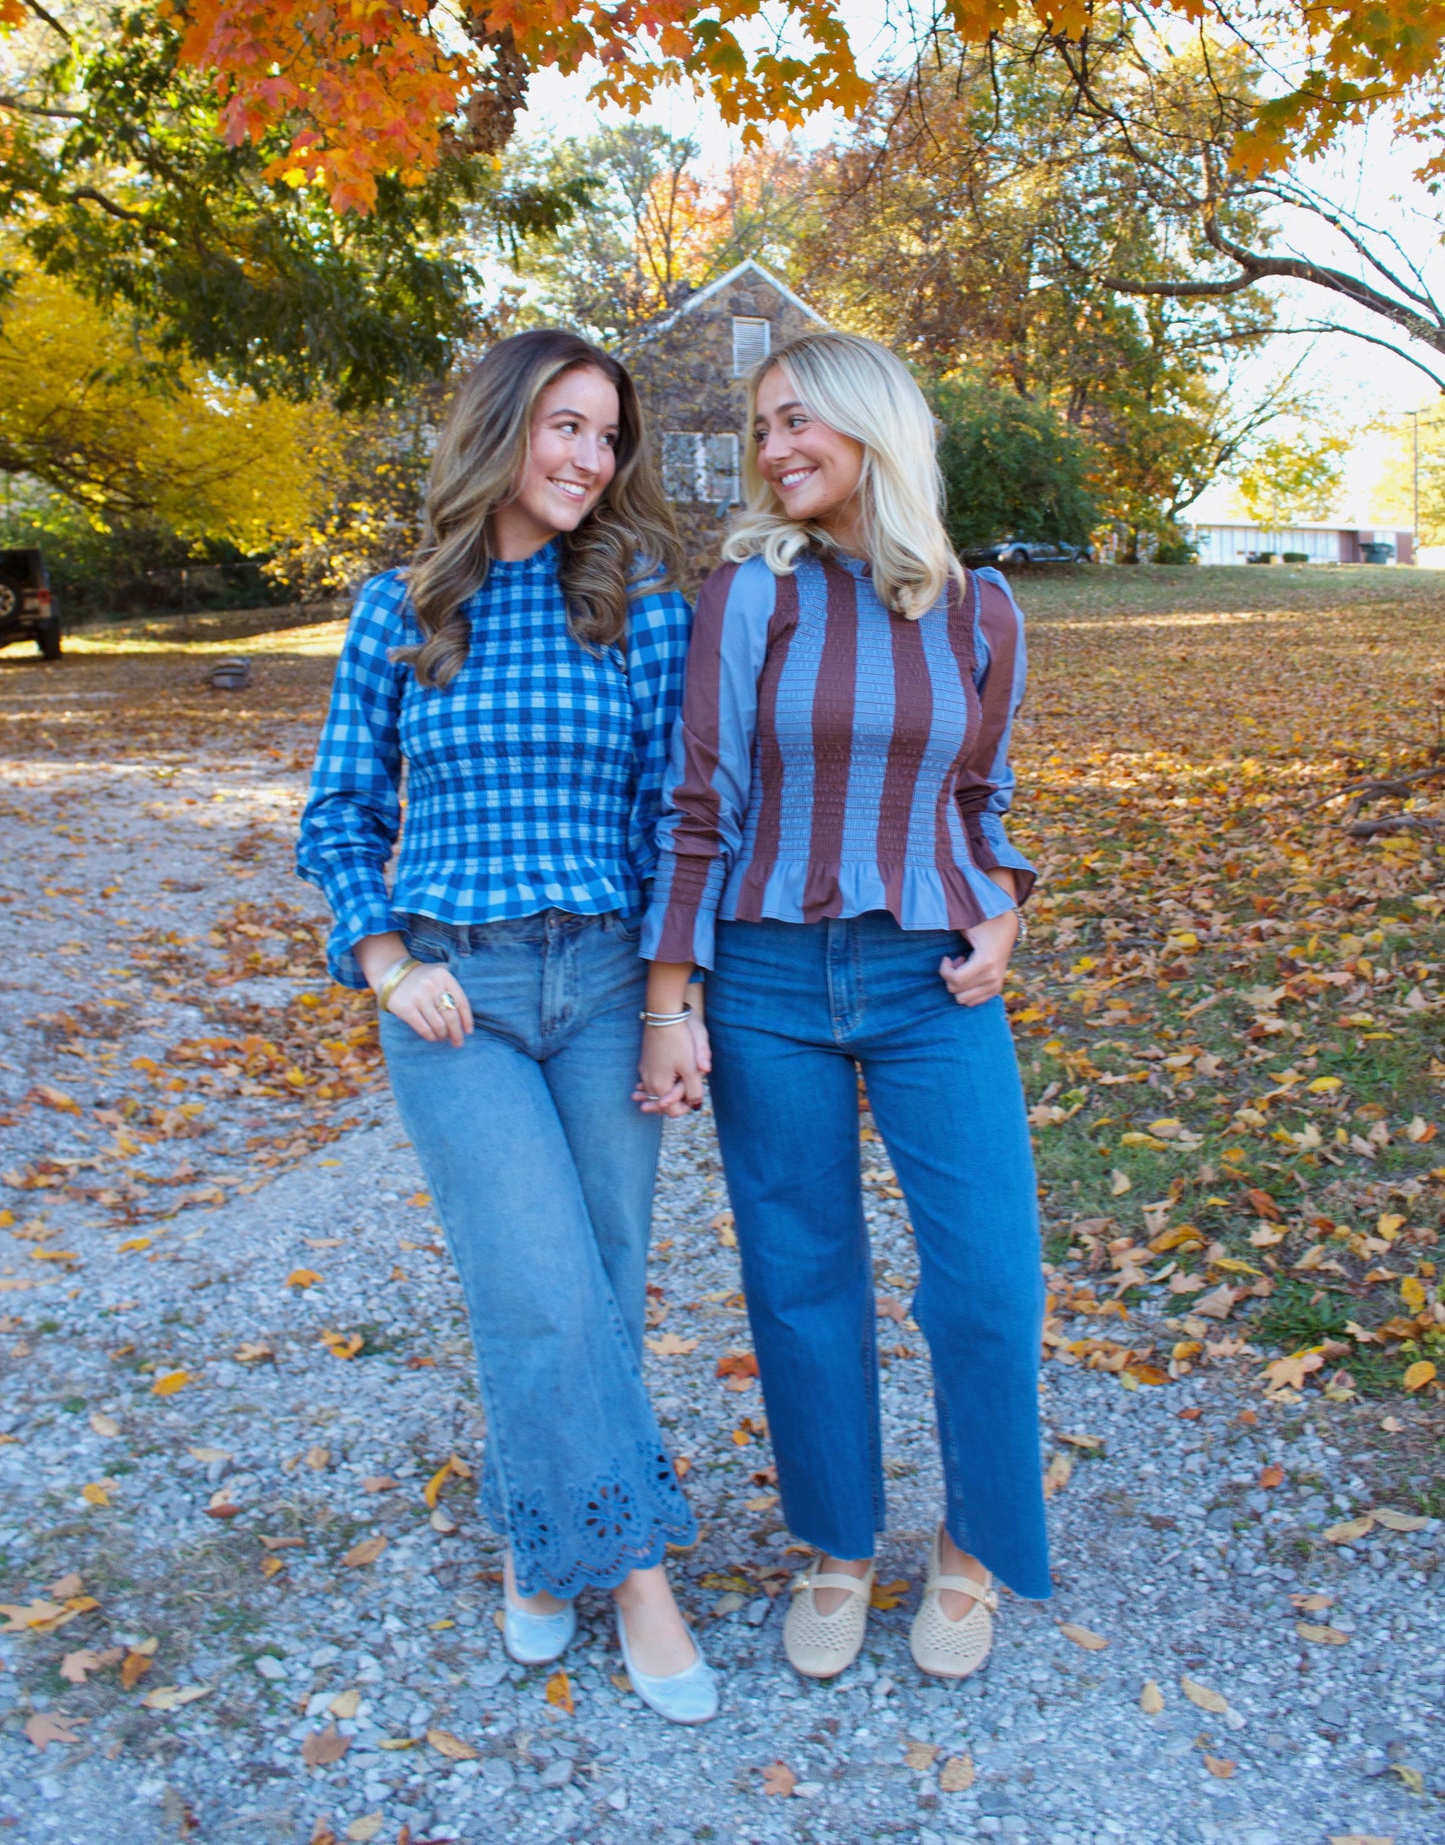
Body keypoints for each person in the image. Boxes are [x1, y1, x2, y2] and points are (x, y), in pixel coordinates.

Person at [298, 329, 718, 1724]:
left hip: (602, 982)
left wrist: (671, 1004)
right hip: (455, 998)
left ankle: (542, 1541)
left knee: (595, 1276)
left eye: (608, 438)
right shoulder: (398, 609)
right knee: (536, 1278)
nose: (590, 461)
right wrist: (383, 960)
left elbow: (676, 819)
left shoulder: (638, 602)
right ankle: (638, 1569)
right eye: (566, 428)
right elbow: (339, 812)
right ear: (500, 427)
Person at [637, 330, 1050, 1682]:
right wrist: (672, 991)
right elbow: (701, 799)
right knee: (801, 1276)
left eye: (797, 420)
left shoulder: (980, 608)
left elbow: (979, 802)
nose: (773, 449)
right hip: (764, 981)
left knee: (987, 1278)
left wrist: (1005, 902)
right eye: (761, 427)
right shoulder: (753, 592)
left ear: (875, 427)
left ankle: (974, 1547)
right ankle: (833, 1542)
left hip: (931, 980)